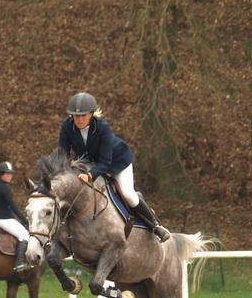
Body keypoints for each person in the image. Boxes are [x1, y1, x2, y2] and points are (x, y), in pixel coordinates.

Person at [58, 91, 170, 242]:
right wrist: (61, 170)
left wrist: (90, 175)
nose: (79, 120)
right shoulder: (67, 126)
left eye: (83, 115)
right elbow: (62, 153)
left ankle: (155, 226)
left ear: (91, 114)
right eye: (75, 116)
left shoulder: (102, 127)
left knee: (128, 194)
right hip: (89, 163)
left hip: (116, 162)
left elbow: (105, 161)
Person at [0, 161, 31, 272]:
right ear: (1, 174)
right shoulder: (4, 188)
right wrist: (24, 220)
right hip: (3, 219)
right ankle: (19, 263)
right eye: (7, 174)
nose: (10, 176)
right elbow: (12, 205)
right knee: (24, 235)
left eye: (11, 174)